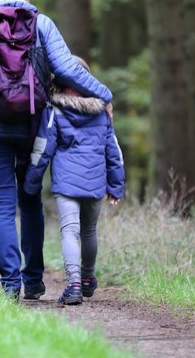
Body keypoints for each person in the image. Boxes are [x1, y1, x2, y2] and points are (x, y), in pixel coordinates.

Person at [0, 0, 113, 302]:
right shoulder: (42, 24)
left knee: (2, 203)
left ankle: (10, 284)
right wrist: (104, 95)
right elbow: (69, 69)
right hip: (34, 126)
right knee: (30, 200)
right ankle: (34, 281)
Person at [23, 57, 124, 305]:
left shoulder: (55, 110)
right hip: (95, 182)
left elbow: (42, 148)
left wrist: (31, 182)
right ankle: (88, 279)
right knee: (89, 231)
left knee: (70, 231)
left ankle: (75, 284)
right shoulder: (102, 112)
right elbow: (114, 152)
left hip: (67, 184)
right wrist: (116, 185)